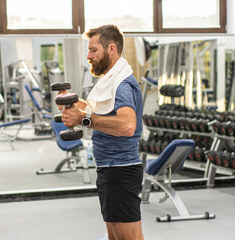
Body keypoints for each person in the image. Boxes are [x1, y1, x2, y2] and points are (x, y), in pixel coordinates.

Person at [59, 25, 144, 240]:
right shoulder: (111, 79)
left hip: (121, 170)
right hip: (110, 168)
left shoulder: (123, 84)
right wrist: (74, 104)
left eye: (93, 50)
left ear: (111, 49)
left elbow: (127, 125)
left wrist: (83, 119)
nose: (89, 56)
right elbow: (102, 111)